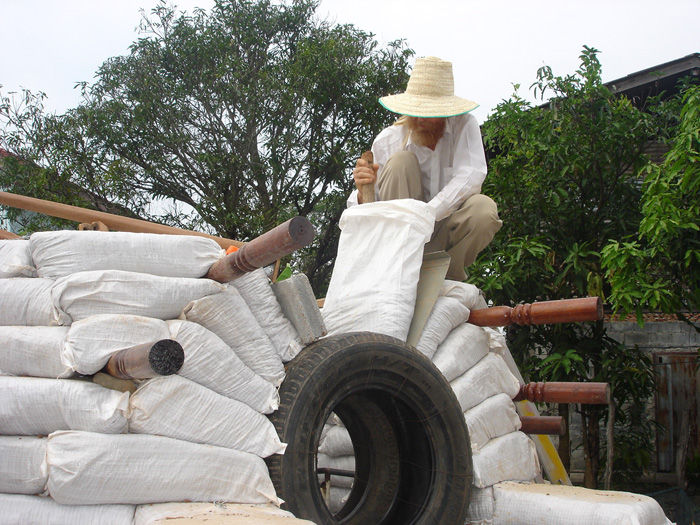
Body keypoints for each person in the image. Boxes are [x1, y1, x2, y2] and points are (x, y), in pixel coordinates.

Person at [349, 56, 502, 281]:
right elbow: (373, 211)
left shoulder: (464, 126)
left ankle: (445, 277)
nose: (421, 119)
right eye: (416, 111)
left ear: (445, 112)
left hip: (443, 238)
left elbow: (471, 176)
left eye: (430, 113)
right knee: (401, 162)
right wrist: (363, 192)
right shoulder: (388, 140)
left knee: (484, 210)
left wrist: (428, 214)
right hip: (399, 242)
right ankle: (399, 273)